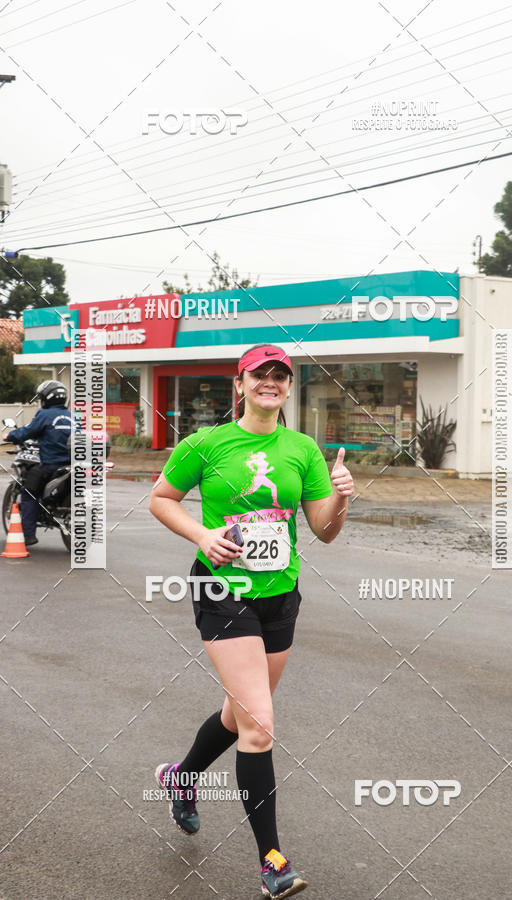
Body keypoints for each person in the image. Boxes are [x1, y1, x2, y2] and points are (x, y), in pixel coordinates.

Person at [149, 343, 354, 899]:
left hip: (280, 595)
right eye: (258, 374)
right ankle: (272, 861)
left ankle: (181, 778)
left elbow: (323, 530)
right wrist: (202, 534)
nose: (270, 382)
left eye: (279, 376)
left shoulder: (302, 448)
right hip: (222, 589)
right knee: (260, 725)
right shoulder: (207, 444)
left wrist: (340, 499)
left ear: (288, 388)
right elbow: (162, 498)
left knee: (240, 716)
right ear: (238, 385)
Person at [2, 380, 72, 546]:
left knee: (29, 493)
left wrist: (10, 436)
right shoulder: (72, 416)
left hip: (51, 465)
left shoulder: (44, 415)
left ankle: (28, 535)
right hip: (70, 464)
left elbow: (28, 431)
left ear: (46, 398)